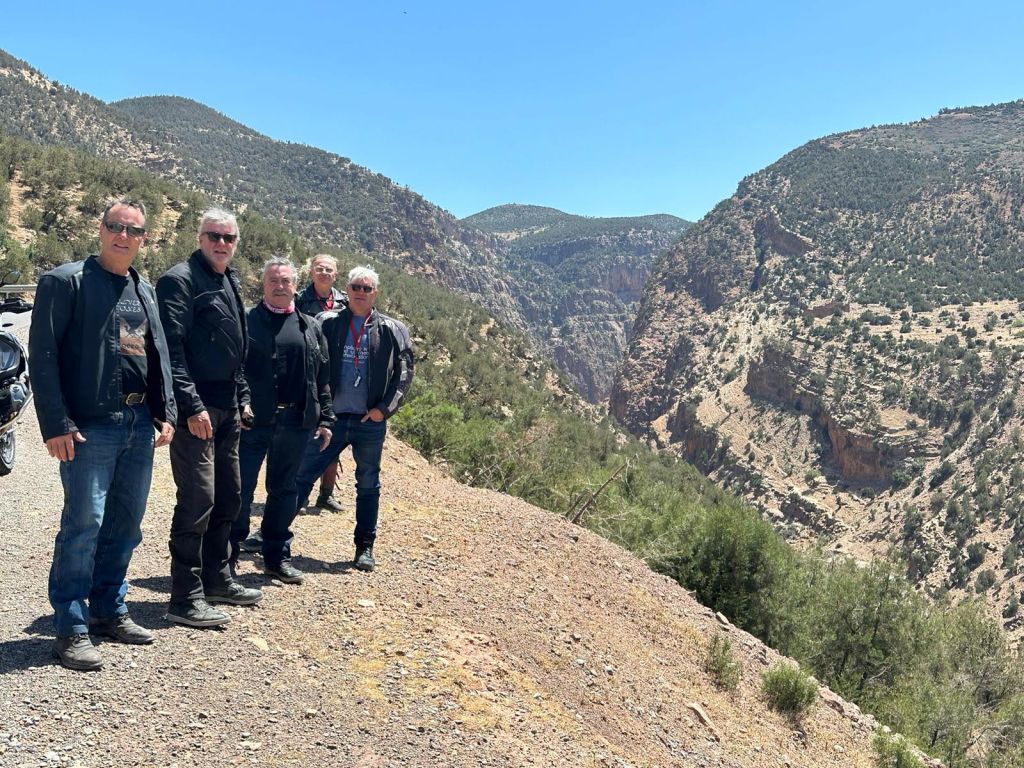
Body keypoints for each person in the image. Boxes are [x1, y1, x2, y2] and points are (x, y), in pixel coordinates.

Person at [30, 199, 176, 671]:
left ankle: (109, 610)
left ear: (144, 239)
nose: (123, 235)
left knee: (126, 525)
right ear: (101, 229)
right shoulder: (65, 281)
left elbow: (157, 354)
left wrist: (166, 411)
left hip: (138, 422)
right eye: (115, 226)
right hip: (89, 426)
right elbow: (43, 355)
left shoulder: (143, 289)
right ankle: (71, 628)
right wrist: (57, 423)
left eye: (133, 230)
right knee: (84, 524)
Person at [156, 207, 262, 628]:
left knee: (230, 496)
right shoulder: (180, 280)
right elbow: (171, 350)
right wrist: (191, 405)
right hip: (196, 412)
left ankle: (218, 579)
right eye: (213, 236)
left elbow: (236, 349)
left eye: (228, 237)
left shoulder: (228, 279)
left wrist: (243, 398)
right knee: (198, 500)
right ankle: (185, 597)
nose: (221, 243)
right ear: (199, 238)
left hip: (228, 409)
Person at [293, 266, 413, 572]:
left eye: (366, 288)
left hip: (368, 422)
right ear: (346, 290)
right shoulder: (328, 321)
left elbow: (404, 375)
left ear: (376, 293)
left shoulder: (393, 329)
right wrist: (315, 407)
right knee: (301, 475)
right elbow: (309, 365)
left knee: (368, 484)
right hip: (330, 420)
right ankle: (273, 534)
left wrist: (383, 409)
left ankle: (364, 547)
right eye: (356, 287)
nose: (360, 292)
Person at [230, 257, 333, 585]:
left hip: (295, 421)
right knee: (239, 490)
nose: (279, 286)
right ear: (263, 284)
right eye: (273, 280)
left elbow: (322, 377)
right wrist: (240, 402)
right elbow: (233, 369)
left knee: (285, 491)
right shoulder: (246, 321)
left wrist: (326, 418)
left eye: (286, 281)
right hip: (251, 423)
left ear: (295, 286)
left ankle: (276, 555)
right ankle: (226, 557)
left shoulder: (310, 326)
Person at [295, 253, 346, 513]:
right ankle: (298, 493)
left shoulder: (345, 301)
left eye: (329, 269)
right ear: (311, 271)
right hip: (307, 373)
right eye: (319, 268)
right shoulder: (299, 299)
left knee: (333, 434)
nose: (324, 273)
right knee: (304, 437)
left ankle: (326, 494)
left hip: (338, 374)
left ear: (336, 274)